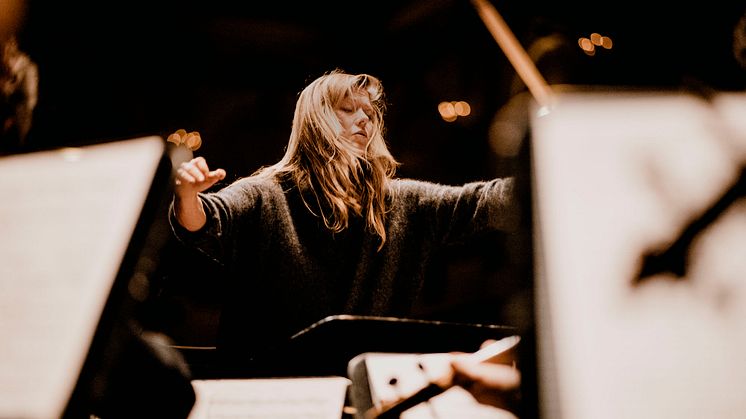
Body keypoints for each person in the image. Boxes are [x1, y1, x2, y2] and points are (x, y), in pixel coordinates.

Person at [170, 69, 520, 375]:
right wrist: (188, 196)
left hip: (365, 386)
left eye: (368, 112)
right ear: (316, 120)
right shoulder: (266, 194)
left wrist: (544, 172)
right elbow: (204, 221)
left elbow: (479, 202)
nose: (364, 120)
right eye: (348, 109)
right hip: (271, 386)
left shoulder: (401, 202)